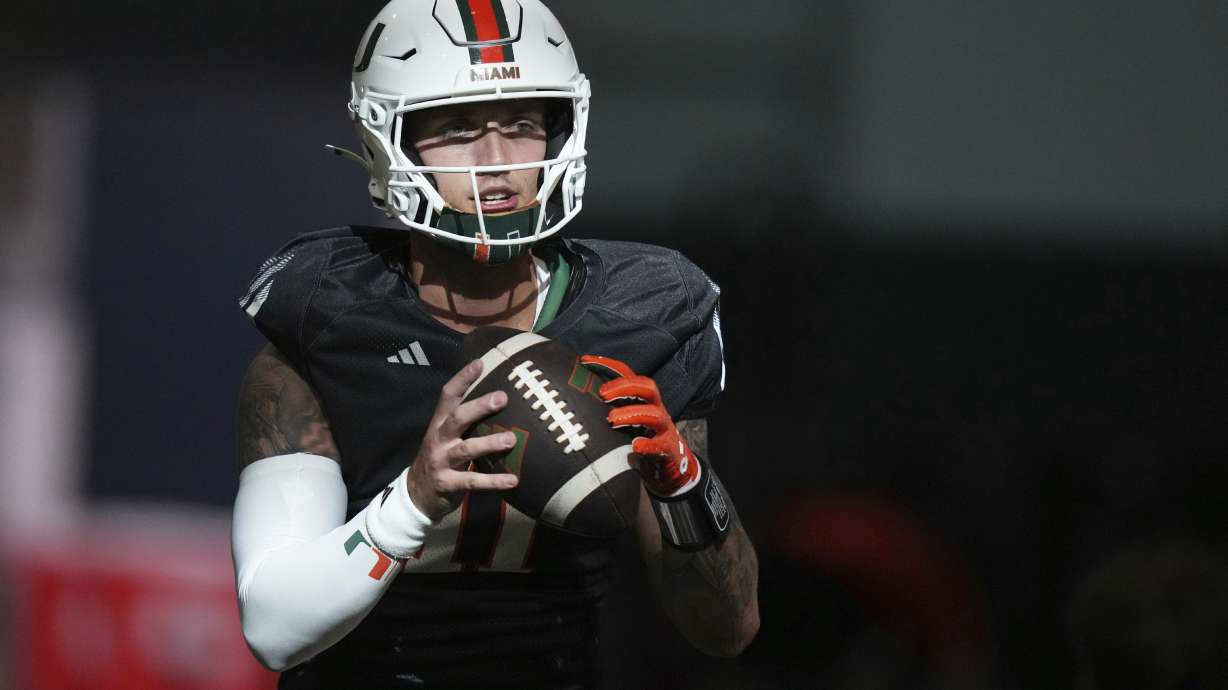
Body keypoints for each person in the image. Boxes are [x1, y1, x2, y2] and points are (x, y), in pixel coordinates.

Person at [230, 1, 759, 688]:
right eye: (457, 128)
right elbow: (273, 627)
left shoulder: (644, 315)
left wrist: (685, 487)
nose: (498, 162)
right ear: (389, 139)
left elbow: (727, 629)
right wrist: (414, 499)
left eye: (522, 125)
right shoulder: (329, 315)